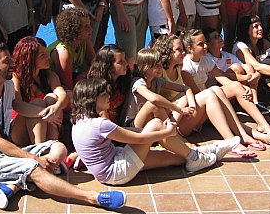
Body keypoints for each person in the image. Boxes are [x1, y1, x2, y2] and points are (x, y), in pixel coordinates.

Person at [0, 42, 126, 211]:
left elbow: (18, 105)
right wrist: (34, 158)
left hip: (4, 151)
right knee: (35, 168)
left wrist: (45, 113)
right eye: (6, 61)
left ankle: (11, 185)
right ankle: (93, 198)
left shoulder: (7, 85)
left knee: (59, 148)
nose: (12, 64)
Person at [71, 77, 229, 186]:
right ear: (91, 100)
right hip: (116, 171)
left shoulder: (79, 121)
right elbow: (138, 139)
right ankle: (196, 156)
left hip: (113, 164)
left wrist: (154, 132)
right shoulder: (99, 124)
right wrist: (166, 133)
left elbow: (122, 132)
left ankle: (206, 153)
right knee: (155, 124)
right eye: (103, 94)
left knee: (172, 157)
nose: (109, 96)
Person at [155, 34, 260, 157]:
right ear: (167, 52)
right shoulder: (160, 73)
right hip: (175, 122)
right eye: (179, 50)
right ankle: (233, 141)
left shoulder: (179, 68)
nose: (183, 53)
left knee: (216, 90)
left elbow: (189, 89)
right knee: (210, 93)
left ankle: (242, 135)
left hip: (188, 113)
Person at [181, 29, 270, 149]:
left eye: (205, 42)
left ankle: (264, 127)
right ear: (190, 48)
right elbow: (197, 95)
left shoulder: (205, 60)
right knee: (224, 109)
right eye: (200, 44)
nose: (205, 46)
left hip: (207, 101)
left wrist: (243, 88)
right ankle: (248, 137)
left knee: (235, 87)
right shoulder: (186, 67)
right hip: (195, 111)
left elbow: (223, 78)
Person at [11, 37, 69, 146]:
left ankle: (51, 144)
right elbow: (17, 105)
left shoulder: (49, 75)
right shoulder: (16, 78)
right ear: (29, 58)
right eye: (42, 55)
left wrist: (56, 109)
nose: (48, 57)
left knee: (52, 97)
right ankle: (40, 149)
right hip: (20, 129)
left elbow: (63, 95)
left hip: (47, 125)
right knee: (38, 102)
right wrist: (44, 113)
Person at [47, 7, 95, 90]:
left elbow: (95, 64)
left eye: (89, 25)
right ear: (74, 30)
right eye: (86, 27)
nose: (91, 29)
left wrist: (83, 75)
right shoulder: (63, 53)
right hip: (52, 86)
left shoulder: (84, 41)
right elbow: (68, 86)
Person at [88, 44, 132, 124]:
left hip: (119, 125)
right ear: (108, 66)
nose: (126, 64)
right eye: (120, 62)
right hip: (103, 128)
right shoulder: (96, 87)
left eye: (125, 59)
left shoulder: (124, 81)